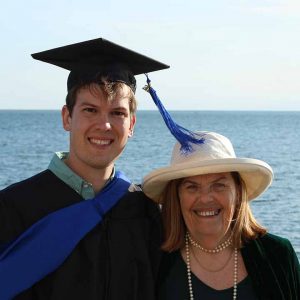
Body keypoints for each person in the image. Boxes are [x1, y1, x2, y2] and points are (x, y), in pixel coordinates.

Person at [0, 38, 170, 299]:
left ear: (132, 124)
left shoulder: (146, 211)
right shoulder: (13, 208)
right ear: (67, 117)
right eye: (90, 110)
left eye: (117, 113)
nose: (104, 125)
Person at [142, 131, 300, 300]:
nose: (205, 198)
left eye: (219, 185)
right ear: (177, 197)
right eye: (192, 187)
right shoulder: (153, 260)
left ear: (238, 192)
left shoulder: (277, 255)